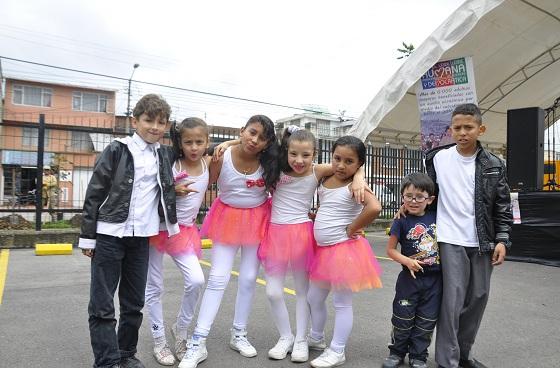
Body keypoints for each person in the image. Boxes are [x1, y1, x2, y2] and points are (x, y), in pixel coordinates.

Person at [79, 94, 179, 368]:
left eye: (161, 122)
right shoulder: (117, 149)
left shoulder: (165, 153)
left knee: (133, 304)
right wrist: (89, 236)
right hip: (109, 235)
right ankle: (107, 361)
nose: (155, 127)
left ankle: (125, 355)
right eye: (149, 120)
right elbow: (94, 193)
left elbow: (199, 142)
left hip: (141, 238)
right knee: (102, 305)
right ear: (135, 121)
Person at [258, 126, 367, 363]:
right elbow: (251, 147)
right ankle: (285, 336)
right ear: (286, 151)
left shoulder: (317, 171)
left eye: (306, 155)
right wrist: (228, 144)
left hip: (302, 235)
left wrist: (360, 177)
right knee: (273, 291)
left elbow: (351, 166)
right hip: (275, 234)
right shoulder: (276, 168)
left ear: (315, 154)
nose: (299, 160)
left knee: (302, 293)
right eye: (294, 154)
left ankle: (300, 340)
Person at [178, 115, 280, 368]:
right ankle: (198, 341)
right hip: (227, 219)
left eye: (262, 137)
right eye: (251, 133)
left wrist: (357, 177)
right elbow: (203, 178)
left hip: (258, 221)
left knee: (247, 279)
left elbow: (306, 166)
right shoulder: (220, 155)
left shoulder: (270, 161)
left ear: (268, 143)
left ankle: (239, 333)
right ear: (242, 130)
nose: (255, 140)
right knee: (218, 278)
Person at [425, 103, 512, 368]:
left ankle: (463, 354)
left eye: (468, 127)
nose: (462, 132)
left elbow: (503, 205)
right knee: (453, 300)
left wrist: (502, 239)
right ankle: (447, 360)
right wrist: (407, 212)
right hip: (449, 239)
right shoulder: (436, 158)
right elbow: (424, 193)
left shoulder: (495, 164)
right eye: (457, 127)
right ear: (451, 129)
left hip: (483, 241)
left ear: (480, 129)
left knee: (478, 298)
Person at [144, 117, 227, 366]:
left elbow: (236, 146)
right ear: (180, 142)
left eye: (199, 142)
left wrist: (226, 143)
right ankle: (159, 340)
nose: (193, 147)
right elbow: (148, 189)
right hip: (156, 228)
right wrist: (171, 189)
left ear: (207, 142)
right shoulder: (170, 162)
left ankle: (180, 330)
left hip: (185, 231)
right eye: (188, 142)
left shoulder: (209, 163)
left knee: (196, 280)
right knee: (154, 286)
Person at [307, 135, 383, 368]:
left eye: (349, 162)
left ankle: (337, 350)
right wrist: (318, 216)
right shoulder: (328, 177)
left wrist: (353, 227)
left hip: (344, 250)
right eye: (337, 158)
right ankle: (316, 337)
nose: (341, 165)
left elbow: (375, 207)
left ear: (359, 164)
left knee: (341, 302)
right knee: (313, 298)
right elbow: (330, 205)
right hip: (323, 251)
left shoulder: (355, 186)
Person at [382, 172, 439, 368]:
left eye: (419, 197)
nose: (413, 201)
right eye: (408, 196)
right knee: (402, 318)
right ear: (402, 197)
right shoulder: (401, 220)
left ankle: (418, 356)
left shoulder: (438, 215)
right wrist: (406, 261)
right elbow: (390, 250)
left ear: (430, 199)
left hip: (434, 282)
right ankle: (396, 353)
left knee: (426, 321)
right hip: (409, 280)